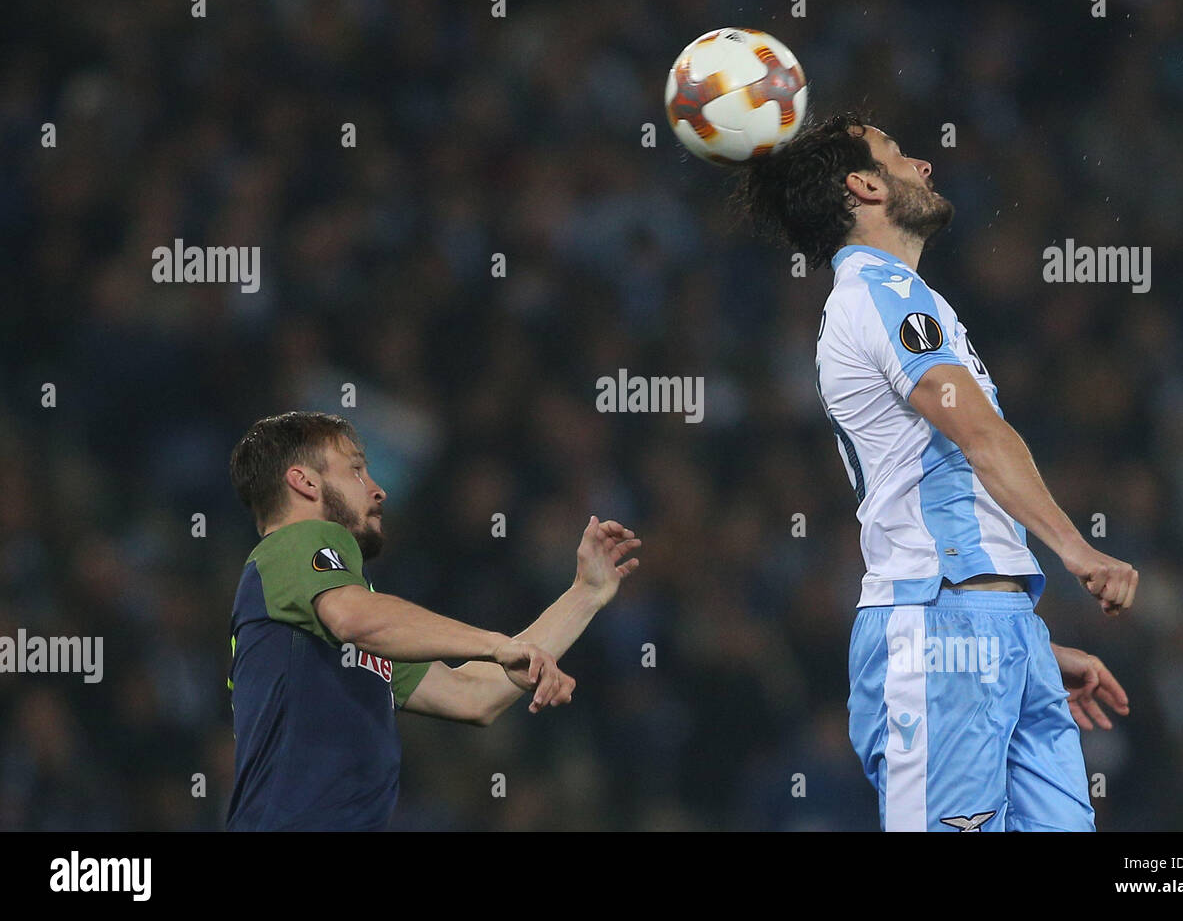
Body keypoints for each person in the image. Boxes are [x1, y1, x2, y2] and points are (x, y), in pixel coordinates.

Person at [736, 112, 1133, 831]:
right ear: (863, 186)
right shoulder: (880, 298)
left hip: (990, 627)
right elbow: (980, 435)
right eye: (899, 155)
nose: (925, 165)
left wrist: (1020, 636)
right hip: (935, 624)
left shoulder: (909, 300)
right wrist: (1076, 550)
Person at [224, 411, 640, 830]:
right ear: (305, 482)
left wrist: (585, 593)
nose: (377, 489)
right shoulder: (296, 542)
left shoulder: (327, 620)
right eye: (356, 470)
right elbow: (355, 618)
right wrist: (494, 644)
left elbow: (471, 695)